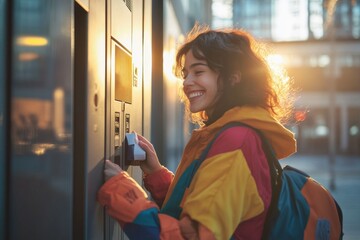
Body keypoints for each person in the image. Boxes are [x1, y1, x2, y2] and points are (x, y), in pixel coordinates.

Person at [97, 24, 296, 240]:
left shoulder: (236, 142)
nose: (187, 82)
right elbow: (198, 210)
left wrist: (122, 192)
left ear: (233, 78)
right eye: (185, 74)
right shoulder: (232, 133)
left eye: (199, 71)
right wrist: (156, 173)